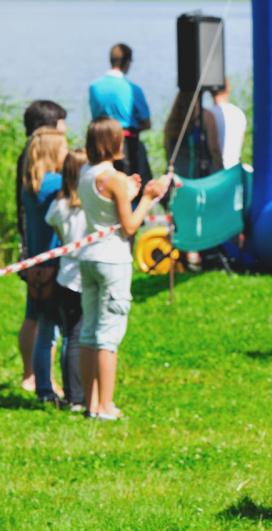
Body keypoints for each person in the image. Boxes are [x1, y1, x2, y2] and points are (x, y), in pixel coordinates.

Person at [78, 117, 168, 420]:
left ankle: (91, 403)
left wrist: (126, 193)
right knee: (108, 335)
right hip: (112, 260)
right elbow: (129, 227)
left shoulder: (86, 173)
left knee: (88, 332)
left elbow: (105, 205)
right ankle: (106, 406)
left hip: (88, 257)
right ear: (112, 143)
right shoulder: (114, 178)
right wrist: (148, 198)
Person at [16, 100, 67, 392]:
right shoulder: (55, 184)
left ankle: (32, 376)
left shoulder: (31, 183)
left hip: (35, 260)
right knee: (51, 329)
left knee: (34, 317)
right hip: (52, 264)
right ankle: (46, 382)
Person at [45, 149, 89, 411]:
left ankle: (73, 392)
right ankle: (77, 395)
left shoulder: (58, 205)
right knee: (79, 335)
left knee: (70, 334)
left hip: (65, 273)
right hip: (83, 275)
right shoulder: (89, 206)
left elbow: (57, 232)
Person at [88, 43, 153, 190]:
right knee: (129, 186)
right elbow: (146, 122)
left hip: (99, 142)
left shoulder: (94, 87)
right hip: (126, 145)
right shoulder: (133, 89)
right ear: (127, 61)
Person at [164, 91, 222, 178]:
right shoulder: (206, 117)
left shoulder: (172, 122)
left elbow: (167, 150)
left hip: (177, 176)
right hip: (199, 176)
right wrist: (221, 170)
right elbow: (214, 150)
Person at [210, 78, 247, 169]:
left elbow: (213, 148)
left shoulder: (208, 115)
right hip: (234, 169)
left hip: (216, 170)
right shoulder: (239, 113)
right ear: (228, 89)